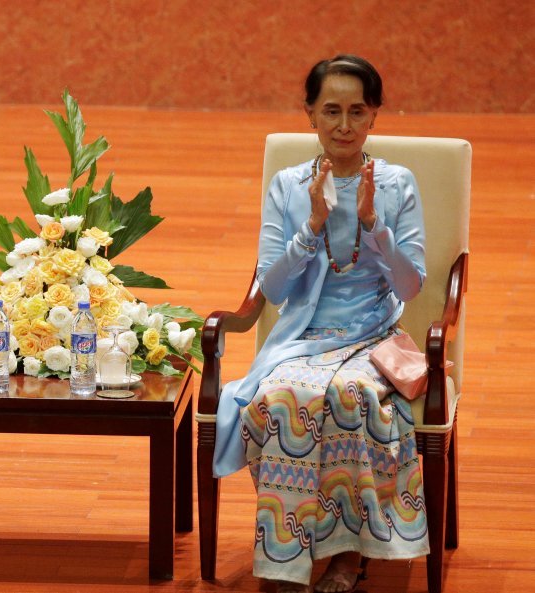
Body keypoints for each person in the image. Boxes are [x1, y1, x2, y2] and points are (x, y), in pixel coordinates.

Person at [212, 55, 429, 593]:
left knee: (350, 397)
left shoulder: (398, 184)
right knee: (280, 399)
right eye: (331, 110)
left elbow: (410, 287)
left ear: (375, 116)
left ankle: (347, 554)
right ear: (309, 113)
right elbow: (274, 289)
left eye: (358, 111)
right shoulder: (289, 186)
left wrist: (375, 226)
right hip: (302, 342)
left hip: (371, 336)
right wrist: (310, 227)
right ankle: (288, 554)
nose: (344, 126)